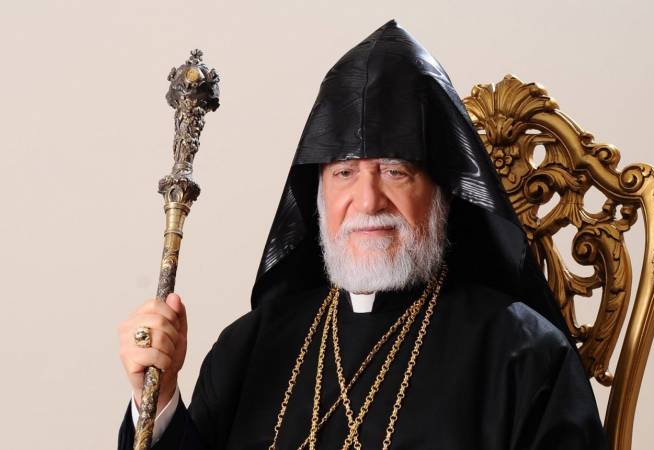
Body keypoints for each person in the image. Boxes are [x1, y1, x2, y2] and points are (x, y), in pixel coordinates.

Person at [117, 20, 609, 449]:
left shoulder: (524, 355)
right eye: (344, 173)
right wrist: (157, 398)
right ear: (317, 194)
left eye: (395, 171)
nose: (368, 202)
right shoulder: (251, 346)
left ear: (441, 192)